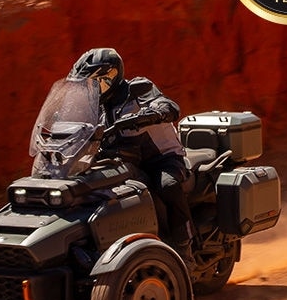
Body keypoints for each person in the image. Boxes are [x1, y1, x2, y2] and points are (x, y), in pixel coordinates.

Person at [68, 48, 196, 262]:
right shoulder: (96, 106)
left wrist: (152, 113)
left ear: (110, 77)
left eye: (94, 82)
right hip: (123, 162)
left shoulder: (137, 89)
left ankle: (185, 250)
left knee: (168, 185)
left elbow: (169, 106)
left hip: (161, 159)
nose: (90, 89)